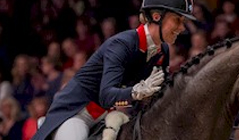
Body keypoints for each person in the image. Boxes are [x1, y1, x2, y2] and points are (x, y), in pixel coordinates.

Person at [32, 0, 196, 139]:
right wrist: (136, 92)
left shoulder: (163, 50)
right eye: (177, 20)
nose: (182, 28)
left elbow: (161, 93)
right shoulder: (121, 44)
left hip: (106, 115)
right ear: (156, 17)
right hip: (76, 112)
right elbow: (106, 95)